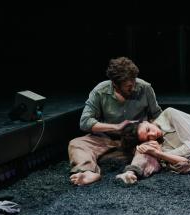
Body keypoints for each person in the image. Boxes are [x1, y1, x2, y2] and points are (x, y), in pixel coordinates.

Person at [68, 57, 162, 186]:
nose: (134, 87)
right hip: (107, 138)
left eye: (134, 82)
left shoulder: (145, 88)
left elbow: (158, 116)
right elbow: (85, 122)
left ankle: (131, 172)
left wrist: (150, 131)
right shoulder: (100, 91)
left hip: (137, 140)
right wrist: (116, 127)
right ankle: (88, 171)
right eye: (129, 86)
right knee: (77, 143)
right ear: (115, 84)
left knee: (149, 149)